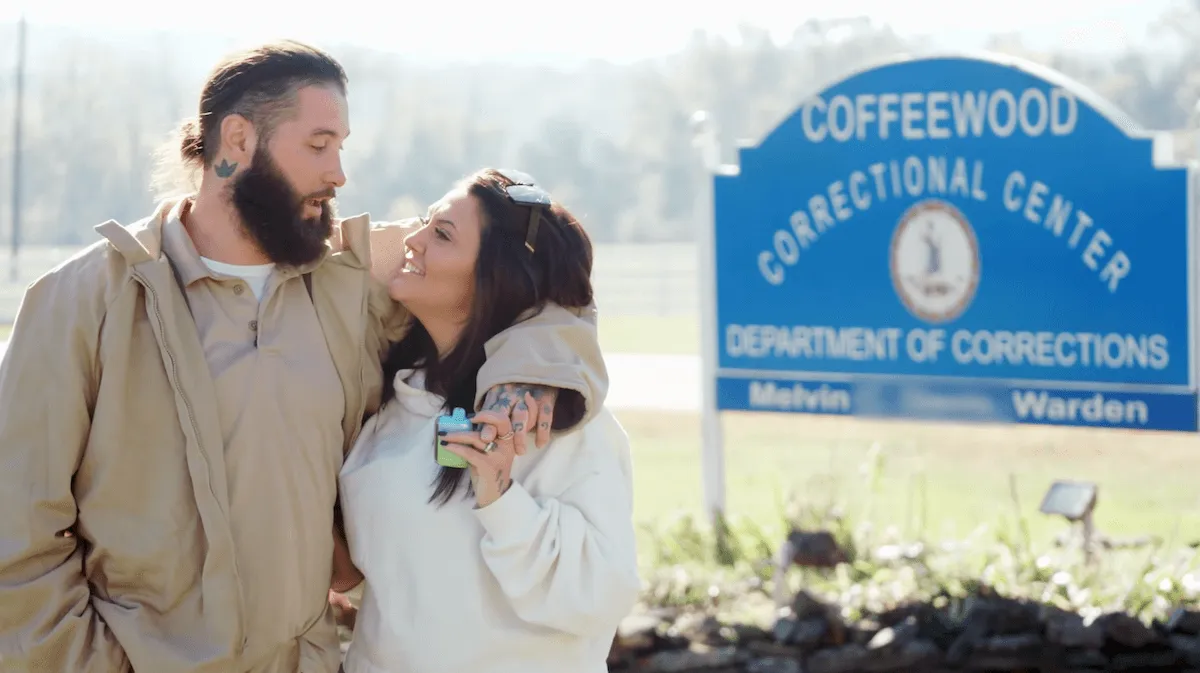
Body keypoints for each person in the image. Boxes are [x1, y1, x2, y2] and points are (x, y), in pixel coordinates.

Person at [0, 41, 607, 673]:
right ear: (237, 140)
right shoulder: (81, 302)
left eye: (342, 146)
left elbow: (528, 284)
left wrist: (534, 373)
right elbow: (16, 528)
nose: (339, 172)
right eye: (318, 146)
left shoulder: (354, 285)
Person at [336, 168, 640, 673]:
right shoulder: (392, 406)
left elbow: (600, 593)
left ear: (495, 278)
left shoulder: (549, 420)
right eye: (424, 222)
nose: (412, 239)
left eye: (441, 235)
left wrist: (499, 496)